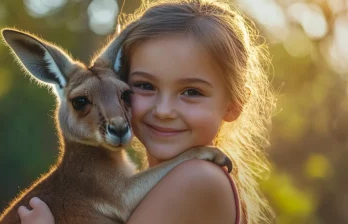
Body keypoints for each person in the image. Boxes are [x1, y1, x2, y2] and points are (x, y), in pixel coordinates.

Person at [18, 0, 275, 223]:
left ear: (233, 104)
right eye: (145, 86)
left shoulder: (197, 177)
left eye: (192, 92)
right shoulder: (152, 182)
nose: (163, 111)